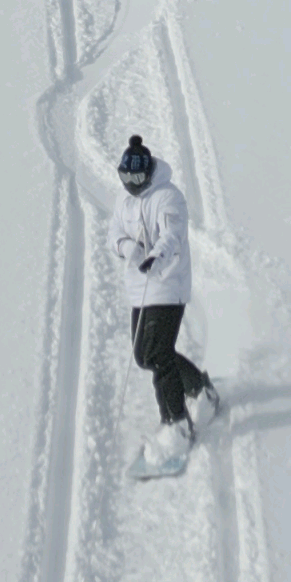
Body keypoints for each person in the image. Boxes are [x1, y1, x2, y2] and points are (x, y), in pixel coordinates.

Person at [111, 133, 220, 477]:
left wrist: (156, 257)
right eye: (125, 177)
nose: (131, 184)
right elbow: (113, 234)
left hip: (167, 285)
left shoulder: (168, 197)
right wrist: (128, 249)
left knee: (157, 355)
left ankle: (177, 424)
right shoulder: (125, 203)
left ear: (148, 172)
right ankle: (198, 388)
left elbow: (173, 236)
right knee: (145, 356)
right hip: (139, 289)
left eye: (136, 178)